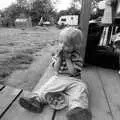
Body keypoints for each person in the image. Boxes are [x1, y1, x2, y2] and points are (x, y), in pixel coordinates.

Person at [19, 27, 92, 120]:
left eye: (66, 44)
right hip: (59, 77)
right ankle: (36, 100)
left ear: (75, 46)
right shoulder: (58, 55)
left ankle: (77, 109)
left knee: (81, 89)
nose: (62, 46)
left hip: (74, 80)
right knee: (48, 87)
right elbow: (56, 69)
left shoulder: (77, 56)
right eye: (60, 42)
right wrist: (60, 58)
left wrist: (68, 59)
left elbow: (73, 72)